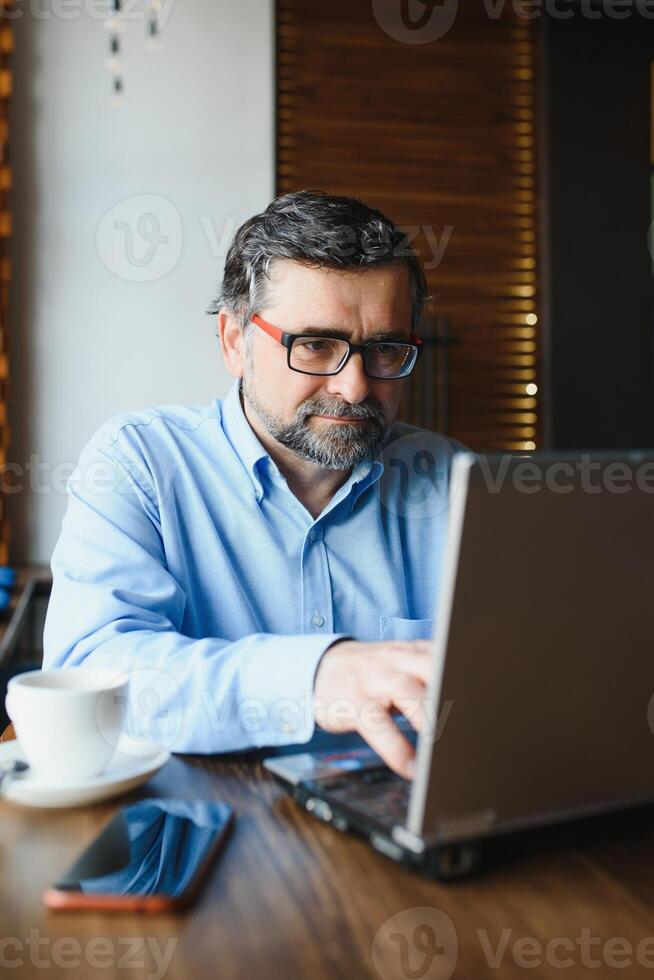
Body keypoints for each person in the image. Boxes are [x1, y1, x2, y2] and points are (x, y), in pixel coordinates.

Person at [43, 190, 460, 779]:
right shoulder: (137, 463)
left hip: (403, 820)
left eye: (385, 349)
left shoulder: (455, 483)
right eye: (316, 345)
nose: (355, 387)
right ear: (234, 342)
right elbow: (94, 676)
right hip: (196, 833)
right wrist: (317, 675)